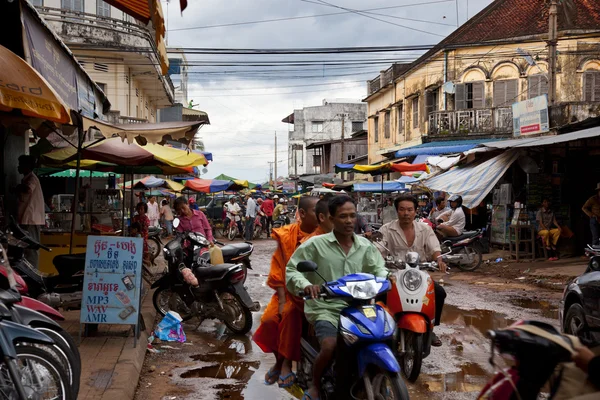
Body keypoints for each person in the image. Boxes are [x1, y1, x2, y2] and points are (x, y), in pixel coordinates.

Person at [286, 195, 390, 400]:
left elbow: (379, 269)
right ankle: (315, 385)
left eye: (352, 216)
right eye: (343, 216)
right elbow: (292, 270)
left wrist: (387, 278)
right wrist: (307, 285)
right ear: (331, 218)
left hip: (359, 308)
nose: (349, 221)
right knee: (331, 345)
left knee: (385, 336)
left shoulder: (365, 246)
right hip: (326, 308)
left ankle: (380, 380)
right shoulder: (315, 245)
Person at [252, 196, 319, 388]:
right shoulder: (287, 235)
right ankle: (281, 362)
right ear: (303, 214)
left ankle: (286, 364)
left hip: (318, 292)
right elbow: (279, 270)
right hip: (290, 292)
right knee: (270, 319)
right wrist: (282, 300)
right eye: (316, 211)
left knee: (289, 315)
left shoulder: (325, 234)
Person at [377, 194, 447, 347]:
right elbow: (378, 250)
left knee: (439, 293)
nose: (406, 213)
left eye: (410, 210)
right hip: (394, 275)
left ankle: (431, 327)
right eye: (402, 209)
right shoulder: (387, 229)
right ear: (397, 211)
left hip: (420, 275)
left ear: (416, 211)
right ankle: (381, 328)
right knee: (379, 294)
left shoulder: (425, 229)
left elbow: (435, 248)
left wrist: (439, 260)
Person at [16, 155, 45, 269]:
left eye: (20, 165)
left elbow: (28, 189)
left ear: (27, 166)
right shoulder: (27, 178)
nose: (18, 167)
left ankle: (33, 272)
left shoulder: (32, 179)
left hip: (31, 219)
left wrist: (17, 188)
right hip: (26, 218)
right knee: (26, 248)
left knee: (31, 248)